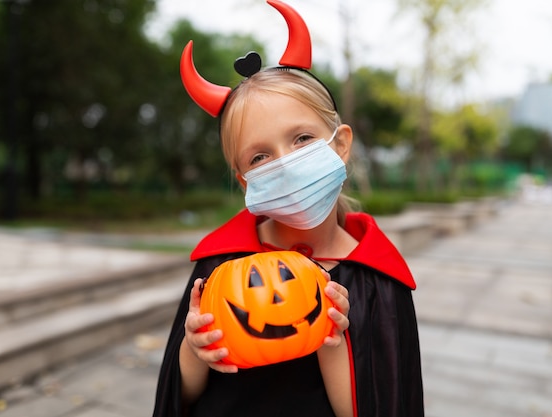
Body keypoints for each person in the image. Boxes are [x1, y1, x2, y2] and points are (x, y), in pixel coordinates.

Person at [152, 1, 423, 416]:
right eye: (259, 157)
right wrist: (193, 349)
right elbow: (178, 399)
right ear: (245, 180)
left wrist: (332, 339)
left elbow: (378, 404)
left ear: (341, 144)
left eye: (301, 139)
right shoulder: (220, 266)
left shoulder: (377, 280)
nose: (284, 163)